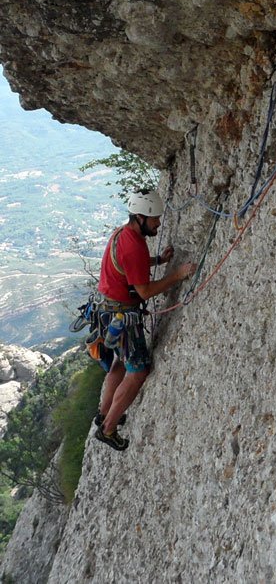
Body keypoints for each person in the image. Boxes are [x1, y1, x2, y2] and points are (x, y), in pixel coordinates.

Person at [93, 189, 197, 451]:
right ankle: (108, 429)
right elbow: (145, 291)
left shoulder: (122, 234)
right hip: (122, 316)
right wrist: (178, 275)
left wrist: (158, 260)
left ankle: (103, 414)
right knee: (137, 371)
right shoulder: (133, 245)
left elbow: (131, 265)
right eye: (154, 219)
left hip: (106, 311)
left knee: (119, 363)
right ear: (140, 217)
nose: (158, 223)